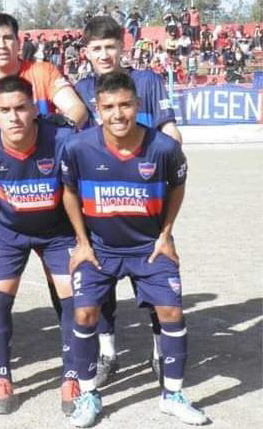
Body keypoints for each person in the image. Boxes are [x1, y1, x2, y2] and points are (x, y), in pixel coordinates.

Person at [61, 70, 208, 427]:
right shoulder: (78, 147)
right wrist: (81, 242)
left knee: (171, 312)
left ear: (138, 105)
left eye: (125, 105)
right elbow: (69, 192)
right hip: (100, 249)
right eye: (109, 107)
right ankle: (88, 394)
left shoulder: (164, 148)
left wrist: (166, 234)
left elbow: (177, 187)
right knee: (84, 314)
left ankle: (172, 395)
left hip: (149, 248)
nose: (118, 114)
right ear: (97, 109)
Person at [0, 12, 87, 381]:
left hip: (49, 194)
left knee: (62, 277)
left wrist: (56, 121)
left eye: (8, 37)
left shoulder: (42, 73)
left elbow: (76, 110)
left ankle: (74, 352)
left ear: (19, 40)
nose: (2, 45)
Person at [74, 15, 181, 388]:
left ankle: (159, 352)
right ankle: (108, 352)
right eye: (97, 48)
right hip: (100, 203)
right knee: (99, 284)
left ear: (123, 47)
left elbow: (170, 130)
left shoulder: (148, 82)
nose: (104, 54)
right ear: (86, 52)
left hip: (145, 200)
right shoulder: (80, 90)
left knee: (152, 278)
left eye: (111, 47)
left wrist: (168, 157)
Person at [0, 76, 77, 416]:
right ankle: (2, 379)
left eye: (20, 108)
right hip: (8, 233)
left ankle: (72, 377)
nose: (14, 117)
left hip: (57, 232)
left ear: (35, 109)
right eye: (5, 110)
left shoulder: (63, 140)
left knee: (73, 297)